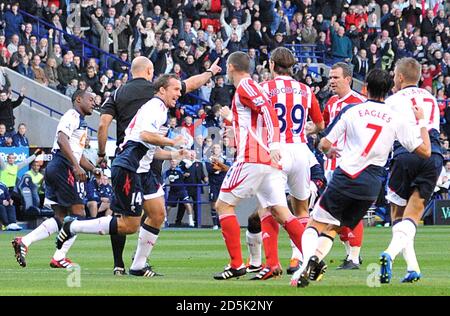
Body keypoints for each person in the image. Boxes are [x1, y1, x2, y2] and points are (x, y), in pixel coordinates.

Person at [290, 69, 431, 288]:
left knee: (315, 223)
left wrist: (330, 152)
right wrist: (422, 122)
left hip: (346, 175)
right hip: (371, 185)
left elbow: (325, 144)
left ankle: (305, 264)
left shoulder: (352, 111)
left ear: (365, 87)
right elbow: (424, 151)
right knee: (334, 228)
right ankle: (317, 258)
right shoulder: (397, 118)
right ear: (389, 89)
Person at [55, 74, 193, 278]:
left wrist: (175, 154)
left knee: (157, 214)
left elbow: (149, 148)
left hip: (142, 169)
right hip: (129, 167)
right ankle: (72, 226)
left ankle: (138, 265)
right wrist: (173, 142)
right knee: (129, 225)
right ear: (162, 90)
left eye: (180, 90)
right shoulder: (155, 107)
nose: (179, 93)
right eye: (175, 89)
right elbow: (146, 136)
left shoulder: (159, 109)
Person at [96, 56, 222, 276]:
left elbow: (103, 124)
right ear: (150, 71)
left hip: (128, 157)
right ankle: (138, 259)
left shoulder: (118, 93)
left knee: (125, 214)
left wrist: (101, 153)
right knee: (150, 215)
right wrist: (210, 72)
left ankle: (121, 264)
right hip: (149, 158)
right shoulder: (160, 91)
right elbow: (191, 84)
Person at [213, 51, 306, 280]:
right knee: (280, 212)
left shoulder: (246, 86)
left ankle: (236, 264)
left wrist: (274, 144)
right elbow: (252, 121)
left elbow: (269, 111)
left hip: (252, 156)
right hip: (264, 159)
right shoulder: (246, 88)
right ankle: (313, 255)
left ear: (231, 66)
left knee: (223, 206)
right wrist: (229, 120)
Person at [244, 47, 325, 280]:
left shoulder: (262, 89)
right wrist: (306, 128)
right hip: (300, 151)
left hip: (275, 151)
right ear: (293, 66)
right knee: (301, 210)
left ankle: (272, 263)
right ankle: (304, 257)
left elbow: (253, 121)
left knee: (269, 208)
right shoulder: (306, 90)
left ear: (271, 64)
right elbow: (319, 124)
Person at [11, 90, 99, 269]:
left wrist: (93, 168)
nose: (94, 103)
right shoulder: (72, 114)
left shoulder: (80, 122)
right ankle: (59, 256)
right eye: (91, 99)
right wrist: (75, 166)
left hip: (58, 166)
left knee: (61, 217)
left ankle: (24, 241)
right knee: (79, 213)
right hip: (62, 166)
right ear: (78, 99)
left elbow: (77, 153)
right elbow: (61, 139)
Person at [381, 57, 443, 284]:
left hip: (405, 154)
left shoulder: (392, 100)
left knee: (398, 215)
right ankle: (412, 268)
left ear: (399, 77)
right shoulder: (432, 99)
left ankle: (389, 252)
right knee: (413, 216)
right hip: (432, 154)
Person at [322, 62, 367, 270]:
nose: (332, 81)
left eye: (336, 77)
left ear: (348, 79)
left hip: (351, 164)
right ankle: (351, 255)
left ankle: (355, 257)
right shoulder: (331, 103)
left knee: (349, 209)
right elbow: (325, 129)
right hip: (330, 164)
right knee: (336, 212)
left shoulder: (360, 103)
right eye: (330, 77)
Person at [164, 159, 195, 227]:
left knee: (187, 203)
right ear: (170, 162)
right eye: (172, 161)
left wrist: (182, 157)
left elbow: (189, 163)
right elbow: (163, 179)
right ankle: (165, 220)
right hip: (173, 192)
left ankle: (191, 220)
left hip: (182, 190)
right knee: (168, 207)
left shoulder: (180, 169)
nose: (173, 163)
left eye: (175, 161)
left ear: (177, 162)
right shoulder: (167, 172)